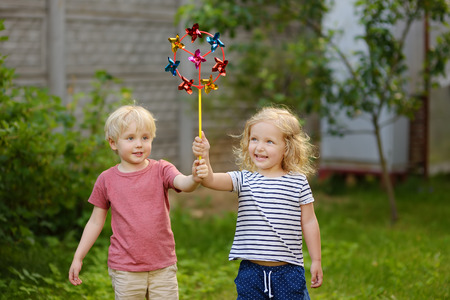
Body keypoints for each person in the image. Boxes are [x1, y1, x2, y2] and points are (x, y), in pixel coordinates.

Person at [68, 105, 208, 299]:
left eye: (145, 137)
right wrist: (78, 257)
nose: (139, 144)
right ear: (113, 143)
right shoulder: (106, 180)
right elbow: (95, 221)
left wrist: (194, 178)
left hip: (162, 265)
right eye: (130, 138)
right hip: (126, 268)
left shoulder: (161, 169)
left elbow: (184, 183)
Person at [192, 106, 323, 299]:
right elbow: (210, 180)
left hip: (288, 271)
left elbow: (309, 221)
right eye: (254, 139)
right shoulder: (244, 179)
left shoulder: (298, 182)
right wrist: (205, 156)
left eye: (269, 141)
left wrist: (316, 260)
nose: (259, 147)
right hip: (251, 272)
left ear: (287, 148)